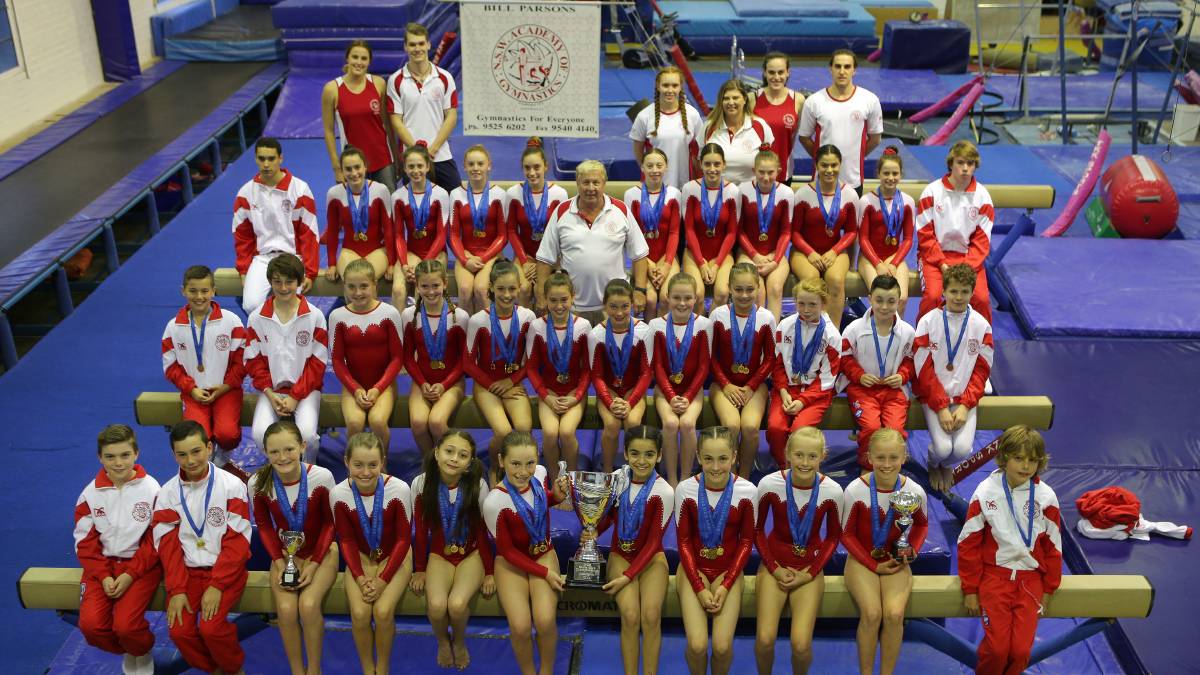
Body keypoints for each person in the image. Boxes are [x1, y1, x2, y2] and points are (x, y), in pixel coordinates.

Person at [959, 425, 1063, 675]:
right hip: (996, 580)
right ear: (1004, 458)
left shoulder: (1046, 497)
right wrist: (970, 589)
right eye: (1018, 458)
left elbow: (1054, 546)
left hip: (1030, 583)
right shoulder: (986, 492)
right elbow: (968, 543)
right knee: (996, 651)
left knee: (1020, 653)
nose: (1025, 466)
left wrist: (1050, 587)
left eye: (1032, 460)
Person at [153, 421, 251, 675]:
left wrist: (218, 585)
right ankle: (215, 670)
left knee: (212, 629)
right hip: (186, 575)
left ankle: (234, 670)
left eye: (196, 451)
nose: (190, 460)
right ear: (174, 455)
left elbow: (237, 542)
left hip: (225, 572)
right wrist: (176, 590)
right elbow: (169, 547)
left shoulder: (232, 486)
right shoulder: (167, 494)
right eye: (182, 454)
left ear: (209, 448)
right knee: (179, 631)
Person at [247, 420, 338, 675]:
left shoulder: (322, 477)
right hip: (285, 555)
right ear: (265, 452)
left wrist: (314, 562)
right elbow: (263, 525)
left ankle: (315, 669)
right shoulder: (258, 482)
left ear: (302, 446)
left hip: (323, 552)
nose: (282, 457)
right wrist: (278, 562)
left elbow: (331, 525)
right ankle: (297, 671)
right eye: (274, 451)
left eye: (289, 449)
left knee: (308, 607)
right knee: (286, 611)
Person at [753, 427, 844, 675]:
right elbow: (757, 531)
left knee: (801, 645)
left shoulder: (833, 491)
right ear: (788, 454)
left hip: (809, 569)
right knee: (764, 639)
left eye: (812, 456)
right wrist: (774, 568)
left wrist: (811, 572)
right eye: (799, 455)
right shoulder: (769, 484)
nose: (805, 462)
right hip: (775, 566)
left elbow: (834, 536)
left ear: (822, 456)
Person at [74, 425, 161, 675]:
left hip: (141, 566)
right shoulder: (90, 494)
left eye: (124, 455)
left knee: (127, 627)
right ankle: (130, 649)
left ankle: (141, 649)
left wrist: (130, 574)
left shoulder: (152, 489)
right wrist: (103, 576)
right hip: (101, 567)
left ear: (136, 454)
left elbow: (156, 540)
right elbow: (85, 543)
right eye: (110, 457)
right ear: (100, 457)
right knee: (91, 627)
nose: (118, 463)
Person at [482, 431, 571, 675]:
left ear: (538, 458)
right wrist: (545, 573)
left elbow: (541, 503)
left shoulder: (540, 474)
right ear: (501, 461)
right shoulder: (494, 502)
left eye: (529, 463)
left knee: (544, 621)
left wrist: (556, 497)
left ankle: (547, 671)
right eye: (515, 464)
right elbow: (508, 551)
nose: (523, 471)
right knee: (520, 627)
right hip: (512, 563)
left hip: (543, 551)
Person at [841, 428, 928, 675]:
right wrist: (872, 564)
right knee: (871, 613)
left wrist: (912, 551)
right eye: (880, 458)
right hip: (861, 559)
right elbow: (845, 534)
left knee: (894, 614)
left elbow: (921, 524)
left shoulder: (913, 490)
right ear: (869, 457)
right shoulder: (856, 490)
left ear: (904, 457)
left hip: (895, 559)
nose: (887, 464)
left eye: (893, 458)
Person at [674, 426, 757, 675]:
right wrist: (698, 587)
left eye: (723, 459)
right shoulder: (685, 489)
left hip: (728, 571)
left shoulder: (748, 491)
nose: (716, 467)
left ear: (734, 457)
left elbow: (746, 542)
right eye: (708, 459)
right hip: (692, 570)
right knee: (698, 645)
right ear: (698, 457)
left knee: (721, 647)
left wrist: (727, 583)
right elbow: (684, 542)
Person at [410, 431, 496, 669]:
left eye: (462, 455)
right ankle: (442, 641)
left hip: (472, 554)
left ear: (470, 463)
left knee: (457, 605)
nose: (454, 458)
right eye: (449, 451)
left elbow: (483, 532)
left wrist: (489, 571)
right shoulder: (421, 483)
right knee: (437, 607)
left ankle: (458, 641)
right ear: (436, 452)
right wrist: (419, 568)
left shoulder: (477, 485)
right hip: (440, 554)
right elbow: (419, 530)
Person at [593, 426, 675, 675]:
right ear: (626, 454)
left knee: (650, 617)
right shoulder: (618, 479)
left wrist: (629, 576)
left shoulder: (665, 491)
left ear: (659, 455)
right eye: (635, 453)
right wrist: (594, 529)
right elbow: (607, 516)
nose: (642, 460)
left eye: (649, 454)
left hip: (652, 558)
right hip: (621, 554)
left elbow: (653, 543)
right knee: (630, 616)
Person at [332, 432, 413, 675]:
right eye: (358, 465)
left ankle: (383, 667)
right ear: (346, 462)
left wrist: (382, 580)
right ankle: (368, 669)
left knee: (383, 611)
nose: (365, 472)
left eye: (372, 465)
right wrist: (358, 576)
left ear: (383, 462)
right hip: (361, 557)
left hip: (395, 555)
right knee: (359, 613)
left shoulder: (399, 489)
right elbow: (345, 539)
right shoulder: (338, 493)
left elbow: (402, 539)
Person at [535, 160, 650, 325]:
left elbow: (639, 254)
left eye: (596, 182)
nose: (590, 188)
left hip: (613, 306)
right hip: (572, 306)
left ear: (604, 183)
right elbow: (545, 258)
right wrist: (540, 296)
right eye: (585, 182)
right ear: (577, 183)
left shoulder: (621, 210)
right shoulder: (562, 212)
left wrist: (640, 290)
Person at [913, 263, 994, 493]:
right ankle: (933, 463)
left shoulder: (981, 326)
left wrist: (966, 405)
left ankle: (945, 465)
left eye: (965, 292)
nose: (959, 297)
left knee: (961, 450)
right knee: (940, 447)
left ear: (972, 292)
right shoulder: (928, 322)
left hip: (963, 399)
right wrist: (940, 407)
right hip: (934, 397)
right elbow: (924, 370)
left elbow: (981, 370)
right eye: (954, 291)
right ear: (944, 291)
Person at [244, 254, 328, 461]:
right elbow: (253, 360)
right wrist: (269, 393)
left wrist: (296, 396)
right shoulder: (257, 318)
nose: (283, 288)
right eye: (277, 282)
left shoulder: (314, 316)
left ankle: (309, 470)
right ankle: (278, 471)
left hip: (306, 390)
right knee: (259, 434)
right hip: (271, 390)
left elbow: (317, 364)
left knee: (307, 435)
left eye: (289, 282)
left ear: (300, 282)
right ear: (270, 282)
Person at [161, 265, 245, 460]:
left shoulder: (231, 322)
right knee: (197, 439)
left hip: (226, 391)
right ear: (183, 291)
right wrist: (190, 389)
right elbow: (171, 367)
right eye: (193, 291)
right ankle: (206, 465)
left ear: (214, 291)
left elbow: (242, 362)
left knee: (228, 434)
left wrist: (226, 386)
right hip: (193, 394)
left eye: (205, 291)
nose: (199, 296)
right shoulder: (174, 327)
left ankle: (223, 459)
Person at [464, 260, 536, 480]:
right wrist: (491, 385)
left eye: (512, 289)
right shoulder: (479, 321)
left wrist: (510, 382)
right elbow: (467, 363)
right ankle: (496, 468)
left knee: (523, 428)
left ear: (519, 289)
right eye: (501, 289)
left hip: (512, 383)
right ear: (491, 288)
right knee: (504, 432)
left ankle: (516, 472)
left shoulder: (527, 317)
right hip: (486, 385)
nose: (507, 295)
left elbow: (531, 362)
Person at [232, 137, 319, 314]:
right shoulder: (245, 193)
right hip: (262, 258)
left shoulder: (300, 189)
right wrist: (243, 269)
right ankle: (268, 338)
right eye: (261, 158)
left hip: (293, 257)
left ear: (281, 158)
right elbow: (242, 236)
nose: (266, 164)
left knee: (291, 307)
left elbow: (309, 233)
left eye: (271, 158)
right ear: (255, 159)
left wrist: (310, 272)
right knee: (250, 305)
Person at [840, 276, 916, 472]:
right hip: (863, 390)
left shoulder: (907, 332)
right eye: (879, 300)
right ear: (869, 298)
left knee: (895, 432)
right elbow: (844, 358)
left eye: (891, 301)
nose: (884, 307)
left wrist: (902, 376)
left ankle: (893, 466)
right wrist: (859, 375)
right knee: (871, 429)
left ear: (899, 301)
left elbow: (911, 360)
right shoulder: (854, 329)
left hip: (894, 390)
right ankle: (868, 465)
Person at [709, 262, 777, 478]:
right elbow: (710, 357)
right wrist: (726, 385)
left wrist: (751, 386)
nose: (744, 295)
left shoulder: (766, 318)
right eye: (738, 289)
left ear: (759, 288)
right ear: (729, 288)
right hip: (722, 384)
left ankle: (744, 478)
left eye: (750, 289)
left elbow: (770, 359)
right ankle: (729, 474)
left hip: (755, 386)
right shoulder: (718, 316)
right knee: (731, 425)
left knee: (749, 428)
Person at [915, 140, 994, 323]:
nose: (965, 168)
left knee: (981, 300)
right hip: (934, 258)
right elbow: (925, 236)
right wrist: (942, 264)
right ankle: (921, 344)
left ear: (975, 166)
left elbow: (981, 242)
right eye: (960, 162)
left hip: (968, 259)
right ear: (951, 164)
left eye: (970, 163)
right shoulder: (932, 192)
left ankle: (982, 346)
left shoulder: (982, 197)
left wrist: (965, 268)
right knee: (933, 298)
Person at [767, 278, 842, 469]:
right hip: (785, 391)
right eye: (801, 303)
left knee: (800, 432)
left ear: (824, 304)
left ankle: (803, 470)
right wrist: (783, 391)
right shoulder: (785, 326)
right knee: (775, 428)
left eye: (812, 304)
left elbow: (827, 379)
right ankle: (785, 468)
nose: (806, 310)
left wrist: (803, 401)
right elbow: (777, 364)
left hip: (815, 395)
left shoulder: (832, 336)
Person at [329, 259, 403, 449]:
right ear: (344, 287)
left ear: (374, 285)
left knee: (378, 422)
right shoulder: (337, 316)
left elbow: (397, 358)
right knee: (354, 424)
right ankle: (355, 466)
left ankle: (381, 464)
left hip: (384, 385)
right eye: (351, 287)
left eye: (364, 286)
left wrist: (378, 388)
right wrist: (355, 389)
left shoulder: (389, 313)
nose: (358, 292)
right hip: (353, 384)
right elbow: (337, 360)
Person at [648, 273, 713, 486]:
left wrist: (687, 396)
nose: (682, 303)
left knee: (686, 424)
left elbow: (704, 367)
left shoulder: (704, 325)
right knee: (669, 423)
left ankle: (686, 478)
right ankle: (672, 479)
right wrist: (670, 395)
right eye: (677, 298)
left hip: (692, 391)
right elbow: (657, 366)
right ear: (667, 297)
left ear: (696, 298)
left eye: (687, 298)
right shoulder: (656, 325)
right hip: (664, 389)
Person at [525, 272, 592, 478]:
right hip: (549, 392)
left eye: (564, 300)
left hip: (574, 391)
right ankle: (555, 480)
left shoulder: (583, 326)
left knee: (566, 432)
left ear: (573, 296)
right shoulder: (537, 327)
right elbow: (531, 368)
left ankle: (570, 479)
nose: (559, 306)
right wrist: (546, 396)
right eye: (553, 300)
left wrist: (577, 395)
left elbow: (588, 370)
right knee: (551, 433)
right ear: (545, 299)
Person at [401, 259, 471, 456]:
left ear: (445, 284)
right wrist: (422, 383)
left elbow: (463, 360)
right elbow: (407, 357)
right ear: (417, 286)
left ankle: (464, 459)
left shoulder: (459, 317)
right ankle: (431, 464)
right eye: (424, 286)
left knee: (437, 421)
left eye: (435, 286)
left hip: (452, 381)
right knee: (418, 423)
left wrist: (444, 384)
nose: (431, 291)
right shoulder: (409, 316)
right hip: (421, 380)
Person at [386, 22, 460, 192]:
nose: (417, 48)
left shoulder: (445, 77)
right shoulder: (396, 80)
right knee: (413, 207)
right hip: (411, 158)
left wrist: (432, 150)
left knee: (455, 198)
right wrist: (417, 152)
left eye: (420, 43)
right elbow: (396, 121)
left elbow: (451, 116)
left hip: (440, 154)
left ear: (428, 44)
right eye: (412, 44)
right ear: (406, 47)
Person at [791, 144, 859, 328]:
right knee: (812, 281)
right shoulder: (804, 193)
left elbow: (852, 231)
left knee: (835, 281)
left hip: (834, 250)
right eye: (824, 165)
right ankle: (810, 331)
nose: (829, 170)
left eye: (834, 165)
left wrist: (834, 251)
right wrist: (810, 252)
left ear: (840, 165)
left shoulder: (850, 194)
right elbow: (794, 232)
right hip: (803, 251)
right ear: (816, 165)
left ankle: (832, 336)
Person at [589, 280, 653, 473]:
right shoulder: (596, 334)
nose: (619, 313)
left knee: (633, 423)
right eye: (613, 307)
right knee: (611, 424)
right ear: (604, 306)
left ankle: (635, 473)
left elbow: (646, 373)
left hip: (634, 388)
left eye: (625, 306)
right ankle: (608, 473)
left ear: (633, 304)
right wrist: (610, 402)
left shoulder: (644, 331)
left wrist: (630, 402)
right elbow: (597, 375)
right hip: (609, 389)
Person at [797, 49, 882, 192]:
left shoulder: (869, 100)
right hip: (822, 180)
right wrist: (823, 160)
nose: (842, 71)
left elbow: (875, 139)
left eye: (847, 67)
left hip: (853, 180)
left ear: (854, 70)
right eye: (838, 66)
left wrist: (855, 158)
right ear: (831, 69)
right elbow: (804, 137)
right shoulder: (814, 102)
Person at [324, 146, 398, 305]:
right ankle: (352, 325)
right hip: (349, 250)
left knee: (365, 280)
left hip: (377, 249)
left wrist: (392, 263)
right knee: (351, 282)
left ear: (365, 166)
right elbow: (331, 232)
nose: (353, 173)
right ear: (342, 171)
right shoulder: (334, 193)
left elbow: (389, 229)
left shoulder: (380, 190)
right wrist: (331, 264)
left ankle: (373, 320)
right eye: (348, 169)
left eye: (357, 167)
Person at [321, 40, 394, 190]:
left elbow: (388, 125)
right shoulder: (332, 89)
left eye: (364, 58)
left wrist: (397, 160)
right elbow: (328, 131)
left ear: (369, 62)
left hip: (383, 160)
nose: (359, 62)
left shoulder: (379, 83)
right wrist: (337, 168)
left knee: (388, 209)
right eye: (355, 57)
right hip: (353, 165)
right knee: (357, 210)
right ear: (347, 58)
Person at [507, 138, 569, 307]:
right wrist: (524, 261)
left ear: (546, 166)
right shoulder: (513, 193)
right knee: (524, 289)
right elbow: (511, 230)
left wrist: (551, 261)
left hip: (551, 257)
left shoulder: (559, 194)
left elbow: (562, 233)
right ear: (522, 168)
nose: (532, 172)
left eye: (537, 167)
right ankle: (524, 331)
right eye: (527, 168)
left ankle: (543, 330)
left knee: (543, 291)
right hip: (524, 256)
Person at [680, 143, 739, 315]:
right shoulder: (690, 188)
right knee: (696, 294)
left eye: (717, 164)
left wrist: (716, 265)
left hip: (722, 253)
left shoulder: (732, 191)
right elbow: (689, 229)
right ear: (700, 164)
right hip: (694, 252)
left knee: (722, 293)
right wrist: (701, 262)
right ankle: (699, 332)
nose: (712, 169)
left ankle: (712, 329)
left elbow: (731, 232)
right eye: (707, 164)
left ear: (724, 164)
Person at [449, 144, 508, 315]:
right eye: (471, 164)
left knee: (482, 290)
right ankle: (465, 334)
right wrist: (464, 258)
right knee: (466, 290)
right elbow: (453, 234)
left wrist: (484, 257)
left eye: (480, 164)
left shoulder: (498, 194)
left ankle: (487, 331)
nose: (476, 168)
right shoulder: (456, 194)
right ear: (465, 166)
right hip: (466, 253)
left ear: (489, 165)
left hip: (490, 254)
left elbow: (503, 235)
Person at [623, 150, 682, 318]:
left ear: (666, 167)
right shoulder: (632, 194)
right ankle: (648, 337)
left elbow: (674, 232)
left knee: (665, 297)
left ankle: (662, 337)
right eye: (649, 166)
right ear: (642, 167)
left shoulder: (674, 194)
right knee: (649, 299)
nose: (654, 170)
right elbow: (632, 235)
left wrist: (667, 264)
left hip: (667, 255)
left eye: (659, 165)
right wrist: (647, 263)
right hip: (642, 257)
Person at [736, 148, 794, 319]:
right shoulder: (743, 190)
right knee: (758, 290)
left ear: (779, 171)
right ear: (754, 171)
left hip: (775, 253)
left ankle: (773, 337)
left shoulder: (786, 193)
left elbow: (785, 232)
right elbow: (739, 230)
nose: (766, 177)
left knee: (775, 288)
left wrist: (775, 260)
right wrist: (755, 255)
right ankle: (755, 331)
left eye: (771, 172)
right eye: (761, 172)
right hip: (748, 253)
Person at [858, 146, 915, 315]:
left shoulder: (907, 202)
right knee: (880, 297)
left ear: (901, 174)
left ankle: (897, 337)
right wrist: (877, 264)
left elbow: (909, 238)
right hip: (869, 258)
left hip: (893, 256)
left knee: (902, 298)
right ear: (878, 174)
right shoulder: (867, 201)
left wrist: (894, 263)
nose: (891, 178)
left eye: (895, 174)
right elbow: (863, 239)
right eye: (886, 173)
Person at [392, 144, 451, 300]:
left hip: (437, 253)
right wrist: (404, 264)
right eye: (411, 166)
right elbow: (398, 235)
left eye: (420, 166)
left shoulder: (441, 194)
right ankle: (399, 325)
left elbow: (442, 235)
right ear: (404, 168)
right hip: (411, 252)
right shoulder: (398, 196)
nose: (415, 170)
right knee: (398, 290)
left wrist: (424, 263)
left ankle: (424, 324)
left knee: (423, 290)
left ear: (427, 167)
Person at [630, 66, 702, 189]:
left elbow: (699, 148)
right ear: (658, 86)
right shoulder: (644, 116)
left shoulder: (692, 114)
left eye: (674, 85)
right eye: (665, 85)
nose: (670, 90)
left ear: (680, 87)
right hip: (655, 185)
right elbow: (638, 150)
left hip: (684, 183)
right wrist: (648, 170)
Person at [702, 79, 773, 184]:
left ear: (744, 99)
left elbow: (770, 162)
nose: (731, 102)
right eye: (726, 98)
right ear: (721, 101)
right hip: (716, 194)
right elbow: (698, 160)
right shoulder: (709, 126)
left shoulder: (759, 126)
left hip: (750, 195)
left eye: (735, 98)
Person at [754, 52, 805, 184]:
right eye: (771, 72)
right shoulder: (752, 99)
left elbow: (798, 134)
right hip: (756, 172)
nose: (776, 77)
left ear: (788, 72)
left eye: (781, 72)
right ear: (764, 73)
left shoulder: (798, 100)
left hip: (784, 170)